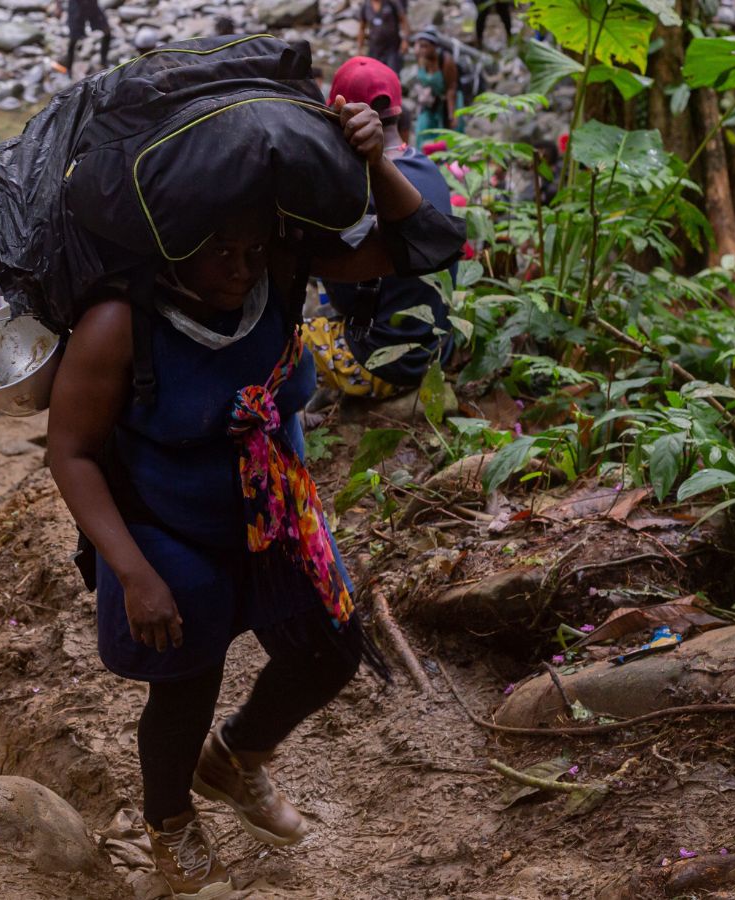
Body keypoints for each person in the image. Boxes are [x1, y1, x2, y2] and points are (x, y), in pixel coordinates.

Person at [47, 102, 462, 898]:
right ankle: (170, 824)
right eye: (221, 254)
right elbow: (69, 453)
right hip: (167, 521)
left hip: (272, 506)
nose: (241, 267)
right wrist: (132, 572)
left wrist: (376, 163)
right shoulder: (117, 324)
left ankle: (236, 760)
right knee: (187, 669)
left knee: (332, 650)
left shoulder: (277, 270)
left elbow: (428, 244)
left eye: (251, 247)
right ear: (172, 251)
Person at [310, 58, 455, 399]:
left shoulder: (360, 192)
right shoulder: (427, 166)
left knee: (289, 336)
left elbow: (344, 296)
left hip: (385, 363)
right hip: (436, 353)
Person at [411, 29, 461, 145]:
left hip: (448, 101)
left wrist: (451, 115)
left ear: (434, 47)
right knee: (422, 130)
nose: (422, 49)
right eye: (420, 46)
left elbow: (451, 88)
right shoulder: (419, 57)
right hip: (430, 101)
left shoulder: (446, 61)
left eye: (426, 46)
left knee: (449, 135)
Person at [54, 0, 111, 75]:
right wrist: (58, 6)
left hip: (92, 4)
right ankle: (69, 68)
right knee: (73, 38)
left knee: (107, 31)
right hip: (76, 6)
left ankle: (104, 62)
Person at [355, 0, 409, 73]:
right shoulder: (366, 6)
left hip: (392, 47)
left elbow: (403, 21)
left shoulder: (391, 3)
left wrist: (405, 40)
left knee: (392, 73)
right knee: (375, 75)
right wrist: (359, 48)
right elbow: (362, 28)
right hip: (375, 48)